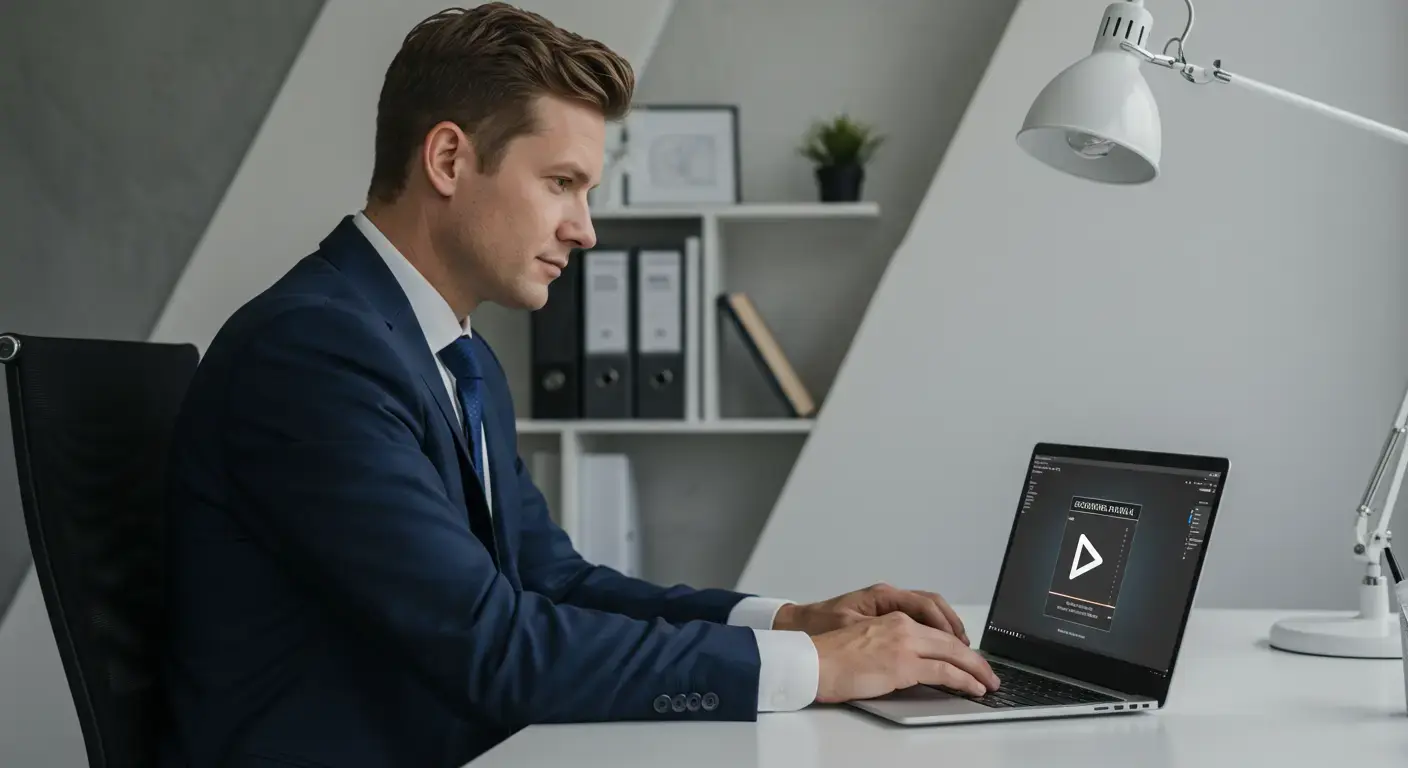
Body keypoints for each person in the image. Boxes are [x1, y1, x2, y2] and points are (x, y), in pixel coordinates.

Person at [157, 4, 998, 766]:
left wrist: (790, 624)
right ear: (449, 157)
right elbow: (492, 646)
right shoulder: (313, 351)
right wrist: (817, 669)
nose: (584, 229)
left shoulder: (457, 356)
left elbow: (552, 583)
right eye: (561, 183)